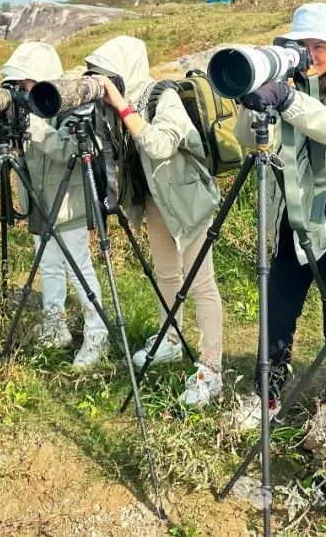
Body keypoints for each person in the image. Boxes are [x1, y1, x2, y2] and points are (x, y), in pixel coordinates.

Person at [228, 3, 326, 439]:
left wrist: (286, 98)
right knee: (277, 309)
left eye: (319, 45)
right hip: (294, 217)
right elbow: (245, 140)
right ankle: (268, 394)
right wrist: (255, 95)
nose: (310, 53)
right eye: (301, 44)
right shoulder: (290, 83)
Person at [86, 35, 224, 405]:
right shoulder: (113, 106)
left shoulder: (164, 97)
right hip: (154, 201)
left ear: (125, 73)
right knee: (166, 274)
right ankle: (171, 339)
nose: (104, 85)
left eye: (107, 77)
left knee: (200, 283)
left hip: (187, 200)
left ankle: (212, 369)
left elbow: (160, 145)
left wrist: (120, 104)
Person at [0, 42, 109, 367]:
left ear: (42, 79)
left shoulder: (70, 106)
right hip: (36, 200)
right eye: (15, 85)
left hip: (69, 203)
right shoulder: (25, 111)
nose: (20, 91)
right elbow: (0, 145)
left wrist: (34, 127)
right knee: (48, 266)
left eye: (25, 83)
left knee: (79, 270)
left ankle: (96, 335)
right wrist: (4, 119)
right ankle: (54, 326)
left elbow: (68, 152)